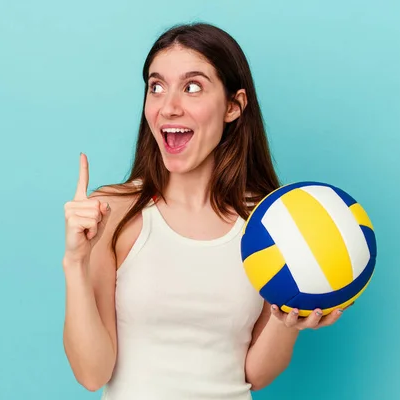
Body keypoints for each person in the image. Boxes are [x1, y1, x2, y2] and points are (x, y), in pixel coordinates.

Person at [62, 22, 346, 400]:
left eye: (192, 87)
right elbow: (91, 373)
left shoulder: (267, 222)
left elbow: (254, 375)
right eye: (156, 87)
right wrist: (75, 263)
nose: (169, 106)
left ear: (233, 106)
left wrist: (288, 319)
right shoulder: (112, 212)